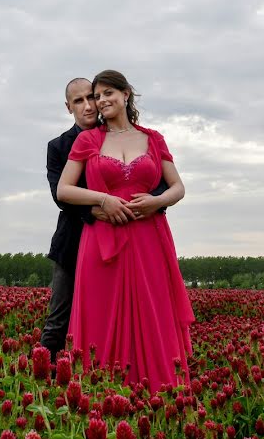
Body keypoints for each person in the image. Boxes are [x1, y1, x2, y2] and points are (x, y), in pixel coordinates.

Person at [56, 70, 194, 391]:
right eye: (97, 96)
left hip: (150, 236)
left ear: (126, 94)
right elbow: (64, 189)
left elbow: (178, 188)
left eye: (108, 94)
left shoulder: (153, 138)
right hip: (103, 238)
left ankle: (157, 394)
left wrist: (156, 201)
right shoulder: (88, 139)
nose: (101, 101)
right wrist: (104, 199)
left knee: (153, 313)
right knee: (101, 315)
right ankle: (101, 395)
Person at [40, 77, 166, 365]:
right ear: (68, 107)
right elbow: (59, 195)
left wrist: (148, 202)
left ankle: (116, 374)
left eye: (91, 98)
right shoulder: (58, 146)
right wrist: (99, 206)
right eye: (79, 101)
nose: (88, 106)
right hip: (74, 240)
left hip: (125, 237)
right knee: (59, 318)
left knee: (118, 315)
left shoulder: (119, 136)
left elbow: (152, 182)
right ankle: (43, 381)